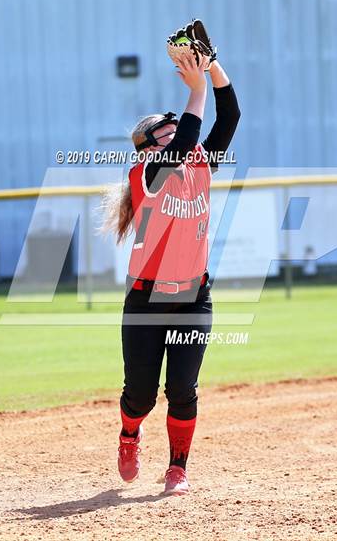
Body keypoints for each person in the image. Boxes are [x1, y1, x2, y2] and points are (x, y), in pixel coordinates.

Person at [103, 53, 240, 495]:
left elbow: (230, 113)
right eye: (168, 135)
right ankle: (129, 435)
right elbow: (184, 142)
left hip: (193, 298)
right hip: (146, 302)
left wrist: (213, 66)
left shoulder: (198, 164)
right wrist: (196, 90)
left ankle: (177, 467)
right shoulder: (145, 173)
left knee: (182, 388)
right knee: (140, 395)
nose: (180, 139)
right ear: (148, 148)